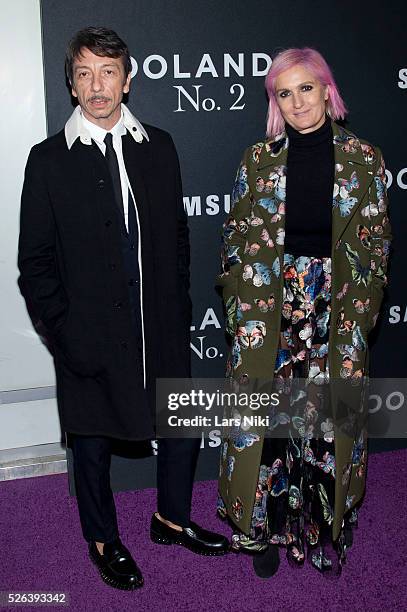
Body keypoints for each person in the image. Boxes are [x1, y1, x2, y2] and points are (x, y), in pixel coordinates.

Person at [18, 26, 228, 591]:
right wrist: (64, 335)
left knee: (181, 425)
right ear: (71, 83)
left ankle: (172, 518)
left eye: (108, 71)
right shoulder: (48, 161)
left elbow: (179, 237)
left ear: (128, 79)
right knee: (91, 440)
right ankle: (104, 539)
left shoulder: (159, 146)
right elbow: (34, 263)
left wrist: (177, 305)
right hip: (86, 332)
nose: (97, 85)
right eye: (84, 73)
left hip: (158, 322)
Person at [217, 47, 391, 577]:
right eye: (284, 93)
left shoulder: (366, 161)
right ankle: (264, 528)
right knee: (268, 422)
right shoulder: (257, 161)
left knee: (322, 423)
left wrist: (356, 322)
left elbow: (376, 248)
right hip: (269, 306)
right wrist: (240, 306)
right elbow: (235, 241)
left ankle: (319, 528)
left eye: (305, 89)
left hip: (334, 308)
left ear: (326, 89)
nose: (297, 102)